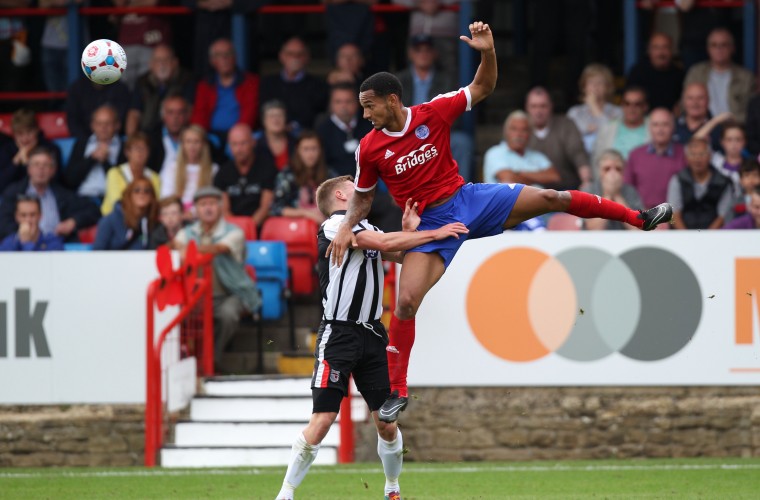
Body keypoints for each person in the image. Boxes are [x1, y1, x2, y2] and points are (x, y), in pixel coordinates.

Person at [330, 22, 674, 423]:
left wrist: (488, 52)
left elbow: (482, 87)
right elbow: (364, 197)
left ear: (392, 100)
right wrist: (344, 225)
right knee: (405, 302)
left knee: (550, 197)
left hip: (467, 200)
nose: (364, 113)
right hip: (428, 227)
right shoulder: (369, 148)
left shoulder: (434, 112)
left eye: (369, 105)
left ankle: (640, 217)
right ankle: (398, 391)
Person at [275, 174, 467, 500]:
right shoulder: (335, 225)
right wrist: (433, 232)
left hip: (373, 333)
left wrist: (410, 232)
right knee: (323, 420)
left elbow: (401, 254)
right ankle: (286, 493)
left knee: (386, 423)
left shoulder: (372, 228)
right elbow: (384, 245)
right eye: (354, 187)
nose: (363, 190)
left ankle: (392, 490)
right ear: (339, 194)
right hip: (338, 333)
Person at [173, 186, 260, 366]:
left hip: (230, 294)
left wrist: (186, 250)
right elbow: (173, 250)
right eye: (203, 204)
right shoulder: (186, 232)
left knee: (228, 315)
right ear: (195, 209)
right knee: (175, 314)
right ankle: (188, 360)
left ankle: (211, 361)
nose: (208, 208)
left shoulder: (235, 232)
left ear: (220, 207)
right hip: (195, 297)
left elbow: (217, 249)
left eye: (212, 203)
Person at [395, 33, 474, 183]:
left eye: (427, 50)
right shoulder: (399, 79)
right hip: (407, 134)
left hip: (438, 132)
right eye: (418, 50)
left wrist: (434, 129)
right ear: (410, 53)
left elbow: (456, 112)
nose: (423, 54)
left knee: (463, 142)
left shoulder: (446, 79)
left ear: (434, 53)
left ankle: (461, 190)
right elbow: (393, 114)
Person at [0, 146, 100, 242]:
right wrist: (20, 236)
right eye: (36, 164)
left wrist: (73, 222)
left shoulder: (62, 194)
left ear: (53, 170)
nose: (41, 169)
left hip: (55, 249)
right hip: (20, 249)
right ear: (29, 169)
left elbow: (93, 210)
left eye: (45, 165)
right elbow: (3, 222)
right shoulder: (13, 193)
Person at [191, 38, 260, 143]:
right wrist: (199, 135)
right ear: (212, 61)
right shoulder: (205, 85)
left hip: (240, 135)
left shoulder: (250, 82)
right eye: (219, 55)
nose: (224, 58)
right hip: (211, 136)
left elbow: (249, 114)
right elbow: (199, 114)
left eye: (228, 54)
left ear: (235, 57)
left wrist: (236, 136)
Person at [683, 28, 756, 124]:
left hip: (734, 129)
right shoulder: (696, 73)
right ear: (708, 49)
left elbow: (751, 113)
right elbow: (684, 105)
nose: (719, 49)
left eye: (724, 45)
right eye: (714, 45)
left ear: (732, 48)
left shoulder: (746, 77)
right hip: (703, 128)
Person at [525, 87, 591, 190]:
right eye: (534, 106)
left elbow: (578, 153)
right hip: (531, 192)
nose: (538, 111)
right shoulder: (521, 128)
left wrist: (586, 181)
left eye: (543, 106)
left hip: (565, 190)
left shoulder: (566, 125)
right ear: (527, 108)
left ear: (551, 106)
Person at [259, 37, 329, 132]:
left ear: (307, 57)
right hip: (273, 131)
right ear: (281, 56)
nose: (295, 58)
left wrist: (293, 126)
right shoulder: (268, 83)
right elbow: (263, 111)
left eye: (300, 54)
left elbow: (317, 115)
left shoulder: (318, 85)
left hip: (304, 134)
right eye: (290, 54)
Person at [214, 123, 277, 228]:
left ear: (253, 143)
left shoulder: (267, 168)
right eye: (234, 144)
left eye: (243, 143)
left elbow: (266, 208)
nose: (239, 149)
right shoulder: (223, 172)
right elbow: (224, 210)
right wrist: (236, 230)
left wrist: (248, 228)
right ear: (229, 146)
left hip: (260, 228)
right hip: (231, 229)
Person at [125, 44, 195, 136]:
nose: (162, 64)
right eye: (158, 60)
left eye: (166, 60)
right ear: (151, 64)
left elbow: (189, 111)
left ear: (175, 62)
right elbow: (134, 113)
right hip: (146, 135)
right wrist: (131, 140)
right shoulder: (143, 82)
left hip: (176, 135)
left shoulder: (186, 80)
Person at [625, 108, 687, 210]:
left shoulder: (684, 154)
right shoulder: (635, 155)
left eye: (665, 124)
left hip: (674, 217)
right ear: (649, 127)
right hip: (641, 216)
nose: (660, 130)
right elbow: (627, 190)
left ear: (673, 127)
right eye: (656, 125)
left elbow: (687, 193)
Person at [667, 137, 732, 230]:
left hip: (715, 236)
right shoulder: (678, 179)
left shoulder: (723, 182)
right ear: (686, 158)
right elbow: (674, 213)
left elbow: (723, 215)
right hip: (682, 235)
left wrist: (705, 238)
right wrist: (687, 237)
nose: (697, 159)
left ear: (710, 156)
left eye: (702, 154)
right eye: (693, 154)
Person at [271, 131, 335, 224]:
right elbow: (275, 208)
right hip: (295, 228)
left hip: (326, 229)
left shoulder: (329, 174)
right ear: (298, 151)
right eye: (305, 149)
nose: (310, 154)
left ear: (320, 150)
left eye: (314, 148)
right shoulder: (287, 175)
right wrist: (305, 213)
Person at [482, 110, 560, 186]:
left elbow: (554, 177)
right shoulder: (495, 153)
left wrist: (518, 173)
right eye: (514, 129)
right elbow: (508, 179)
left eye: (524, 130)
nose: (519, 134)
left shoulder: (537, 155)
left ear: (530, 134)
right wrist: (539, 177)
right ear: (506, 132)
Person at [65, 104, 126, 201]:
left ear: (117, 125)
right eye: (99, 123)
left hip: (111, 200)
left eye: (108, 123)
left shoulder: (125, 147)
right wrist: (91, 158)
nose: (103, 128)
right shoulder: (81, 144)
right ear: (92, 125)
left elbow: (123, 185)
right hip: (82, 198)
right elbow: (70, 180)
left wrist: (105, 162)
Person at [317, 82, 373, 177]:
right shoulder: (322, 129)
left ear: (358, 102)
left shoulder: (370, 124)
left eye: (348, 101)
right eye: (338, 102)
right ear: (330, 104)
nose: (343, 106)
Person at [0, 108, 62, 195]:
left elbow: (55, 181)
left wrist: (26, 163)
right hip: (13, 198)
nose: (25, 138)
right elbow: (1, 184)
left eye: (29, 132)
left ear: (36, 130)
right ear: (14, 134)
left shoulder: (51, 149)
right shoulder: (7, 150)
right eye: (20, 134)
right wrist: (16, 161)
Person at [160, 124, 218, 214]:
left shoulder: (213, 169)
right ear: (182, 145)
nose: (192, 146)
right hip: (176, 216)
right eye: (188, 141)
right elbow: (166, 198)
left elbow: (215, 200)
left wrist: (193, 212)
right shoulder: (171, 168)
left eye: (196, 142)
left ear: (203, 145)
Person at [582, 149, 644, 231]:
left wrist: (617, 195)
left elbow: (637, 228)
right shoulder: (589, 191)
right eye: (607, 169)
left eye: (618, 169)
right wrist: (607, 195)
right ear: (600, 171)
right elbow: (592, 228)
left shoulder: (631, 191)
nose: (613, 173)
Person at [567, 63, 622, 154]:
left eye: (600, 83)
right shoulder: (575, 112)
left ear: (607, 87)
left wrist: (594, 107)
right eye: (591, 82)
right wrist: (586, 130)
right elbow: (569, 140)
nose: (595, 86)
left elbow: (612, 135)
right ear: (584, 87)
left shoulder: (618, 112)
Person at [102, 132, 161, 215]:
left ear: (148, 152)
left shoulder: (155, 177)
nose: (140, 152)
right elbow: (116, 202)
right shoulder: (114, 173)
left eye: (143, 149)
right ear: (127, 152)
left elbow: (156, 203)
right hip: (116, 218)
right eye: (136, 148)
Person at [591, 86, 650, 168]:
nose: (631, 108)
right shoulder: (607, 128)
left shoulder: (654, 127)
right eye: (627, 104)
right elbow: (596, 159)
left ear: (645, 106)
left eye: (637, 104)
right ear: (622, 105)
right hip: (611, 179)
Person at [93, 178, 159, 250]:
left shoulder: (153, 223)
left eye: (147, 191)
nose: (142, 193)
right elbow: (97, 252)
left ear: (152, 197)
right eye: (137, 190)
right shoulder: (110, 220)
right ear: (128, 195)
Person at [626, 32, 685, 112]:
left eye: (665, 47)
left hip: (669, 121)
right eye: (656, 48)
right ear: (649, 51)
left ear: (672, 51)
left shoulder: (679, 74)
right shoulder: (637, 72)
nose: (661, 53)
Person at [64, 74, 131, 139]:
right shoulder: (77, 88)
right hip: (84, 139)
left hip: (115, 138)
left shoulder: (120, 89)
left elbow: (122, 119)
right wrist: (87, 142)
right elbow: (72, 120)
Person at [148, 94, 191, 179]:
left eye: (180, 112)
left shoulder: (197, 138)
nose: (175, 117)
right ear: (163, 116)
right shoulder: (150, 139)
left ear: (187, 115)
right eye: (171, 112)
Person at [674, 82, 723, 151]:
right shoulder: (672, 126)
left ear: (708, 100)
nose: (695, 103)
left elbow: (723, 159)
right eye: (690, 98)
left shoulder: (718, 129)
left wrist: (708, 151)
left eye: (700, 98)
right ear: (683, 101)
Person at [255, 100, 296, 172]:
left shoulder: (296, 144)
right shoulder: (255, 146)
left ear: (285, 119)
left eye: (279, 115)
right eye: (271, 116)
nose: (276, 119)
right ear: (264, 121)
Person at [711, 123, 748, 194]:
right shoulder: (713, 161)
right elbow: (694, 144)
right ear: (722, 142)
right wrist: (717, 120)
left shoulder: (752, 165)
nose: (734, 144)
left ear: (744, 142)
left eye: (738, 139)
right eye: (729, 139)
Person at [724, 159, 760, 224]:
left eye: (755, 175)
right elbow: (729, 222)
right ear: (740, 180)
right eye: (747, 175)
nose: (751, 180)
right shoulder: (735, 201)